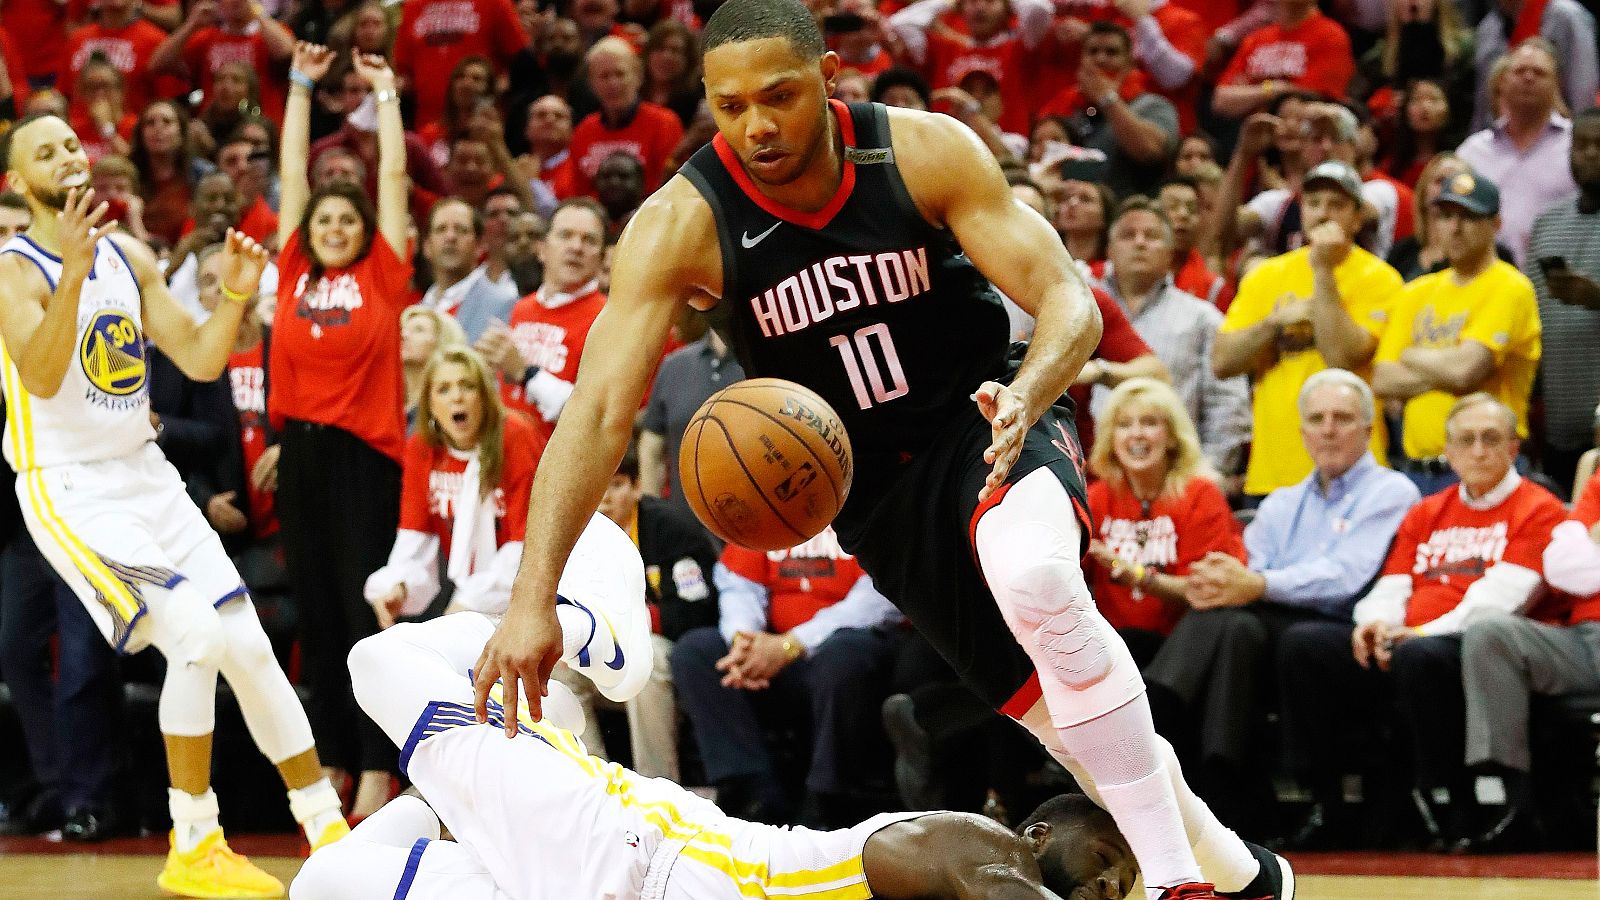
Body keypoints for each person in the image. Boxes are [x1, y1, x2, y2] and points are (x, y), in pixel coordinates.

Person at [472, 2, 1291, 897]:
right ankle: (1246, 876)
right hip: (871, 496)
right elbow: (594, 416)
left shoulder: (921, 150)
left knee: (1036, 580)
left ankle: (1180, 885)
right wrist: (530, 597)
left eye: (778, 97)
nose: (756, 125)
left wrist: (1029, 392)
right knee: (1068, 724)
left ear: (829, 79)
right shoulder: (682, 224)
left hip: (983, 417)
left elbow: (1070, 300)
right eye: (731, 105)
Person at [293, 521, 1141, 899]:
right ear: (1033, 834)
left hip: (588, 882)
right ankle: (590, 632)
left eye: (1122, 885)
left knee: (328, 885)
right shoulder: (981, 849)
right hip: (633, 853)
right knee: (381, 658)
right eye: (1108, 855)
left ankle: (473, 784)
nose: (1110, 881)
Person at [0, 111, 349, 895]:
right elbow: (45, 376)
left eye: (70, 142)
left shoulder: (127, 254)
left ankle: (329, 830)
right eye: (44, 151)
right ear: (21, 184)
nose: (67, 154)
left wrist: (234, 294)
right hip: (71, 486)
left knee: (250, 649)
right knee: (193, 634)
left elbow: (197, 352)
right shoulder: (13, 270)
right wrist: (74, 268)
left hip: (146, 475)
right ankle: (194, 840)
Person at [1276, 393, 1565, 850]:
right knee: (1305, 645)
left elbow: (1505, 599)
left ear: (1514, 449)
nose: (1477, 451)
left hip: (1477, 646)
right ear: (1447, 452)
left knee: (1421, 657)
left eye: (1490, 439)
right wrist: (1374, 625)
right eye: (1464, 440)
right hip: (1412, 639)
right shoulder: (1428, 511)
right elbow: (1393, 583)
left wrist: (1420, 633)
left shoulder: (1540, 508)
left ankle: (1444, 801)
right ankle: (1328, 802)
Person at [1149, 370, 1420, 835]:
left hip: (1346, 627)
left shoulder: (1391, 491)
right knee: (1233, 625)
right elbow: (1246, 564)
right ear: (1302, 432)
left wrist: (1257, 584)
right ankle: (1223, 781)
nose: (1328, 429)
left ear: (1369, 430)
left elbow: (1346, 577)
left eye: (1342, 418)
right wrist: (1233, 581)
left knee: (1256, 625)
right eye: (1317, 419)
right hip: (1271, 624)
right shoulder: (1282, 502)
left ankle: (1159, 708)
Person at [273, 42, 413, 822]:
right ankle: (330, 759)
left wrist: (384, 95)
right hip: (301, 457)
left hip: (366, 461)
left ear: (363, 232)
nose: (329, 225)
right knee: (317, 616)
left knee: (364, 619)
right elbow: (292, 174)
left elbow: (390, 180)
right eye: (321, 218)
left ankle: (375, 768)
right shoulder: (295, 271)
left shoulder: (382, 278)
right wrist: (298, 84)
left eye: (343, 218)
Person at [1214, 160, 1403, 500]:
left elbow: (1342, 357)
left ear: (1357, 218)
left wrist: (1322, 271)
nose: (1323, 213)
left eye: (1337, 205)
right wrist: (1273, 324)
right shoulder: (1267, 275)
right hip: (1274, 472)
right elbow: (1223, 362)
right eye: (1314, 203)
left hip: (1355, 475)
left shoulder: (1382, 279)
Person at [552, 445, 719, 783]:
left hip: (674, 652)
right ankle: (589, 781)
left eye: (615, 485)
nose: (603, 499)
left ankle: (656, 786)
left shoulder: (669, 530)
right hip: (608, 649)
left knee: (647, 659)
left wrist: (618, 622)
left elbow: (694, 612)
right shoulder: (576, 534)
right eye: (594, 487)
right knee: (559, 665)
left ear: (637, 486)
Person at [1372, 171, 1541, 495]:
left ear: (1495, 224)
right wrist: (1446, 371)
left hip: (1487, 466)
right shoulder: (1416, 292)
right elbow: (1382, 379)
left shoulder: (1510, 286)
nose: (1454, 227)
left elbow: (1465, 372)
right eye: (1446, 216)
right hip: (1417, 471)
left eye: (1469, 216)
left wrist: (1411, 355)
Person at [364, 347, 544, 628]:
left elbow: (530, 544)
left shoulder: (516, 435)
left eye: (467, 386)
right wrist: (399, 587)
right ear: (430, 403)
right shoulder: (422, 448)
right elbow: (415, 538)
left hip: (533, 590)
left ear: (485, 396)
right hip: (468, 596)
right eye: (443, 389)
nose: (456, 397)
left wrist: (471, 602)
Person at [1084, 378, 1242, 663]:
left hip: (1183, 647)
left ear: (1171, 436)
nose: (1137, 434)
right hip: (1115, 645)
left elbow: (1205, 589)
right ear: (1110, 439)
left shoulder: (1200, 494)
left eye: (1149, 423)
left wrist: (1138, 576)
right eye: (1124, 425)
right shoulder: (1096, 498)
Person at [1097, 198, 1250, 477]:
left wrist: (1209, 474)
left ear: (1170, 252)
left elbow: (1228, 403)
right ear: (1109, 249)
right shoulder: (1084, 310)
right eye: (1128, 235)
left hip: (1176, 479)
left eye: (1152, 236)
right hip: (1090, 478)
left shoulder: (1203, 318)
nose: (1140, 243)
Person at [475, 197, 608, 438]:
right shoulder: (522, 308)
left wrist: (526, 373)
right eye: (565, 236)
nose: (576, 247)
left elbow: (596, 417)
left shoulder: (608, 318)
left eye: (589, 240)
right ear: (542, 249)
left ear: (601, 258)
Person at [1527, 108, 1600, 494]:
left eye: (1598, 145)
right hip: (1557, 419)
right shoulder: (1547, 223)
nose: (1588, 154)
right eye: (1580, 145)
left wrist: (1596, 298)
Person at [1456, 39, 1576, 266]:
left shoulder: (1575, 146)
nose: (1528, 78)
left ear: (1557, 84)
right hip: (1486, 283)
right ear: (1502, 81)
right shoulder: (1472, 152)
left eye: (1539, 73)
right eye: (1520, 71)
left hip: (1559, 283)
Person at [640, 327, 746, 525]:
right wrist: (652, 514)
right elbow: (651, 444)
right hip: (686, 526)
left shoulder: (766, 363)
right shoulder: (674, 365)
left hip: (752, 521)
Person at [1471, 0, 1597, 132]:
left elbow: (1583, 89)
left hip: (1559, 134)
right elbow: (1483, 105)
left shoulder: (1566, 15)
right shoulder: (1488, 28)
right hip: (1500, 138)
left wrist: (1581, 135)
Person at [420, 197, 520, 344]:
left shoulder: (505, 303)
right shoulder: (418, 310)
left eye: (461, 230)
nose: (450, 237)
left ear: (480, 245)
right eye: (441, 229)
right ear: (427, 246)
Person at [401, 306, 470, 432]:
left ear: (442, 343)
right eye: (403, 329)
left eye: (418, 330)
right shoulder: (387, 403)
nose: (404, 335)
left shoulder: (448, 409)